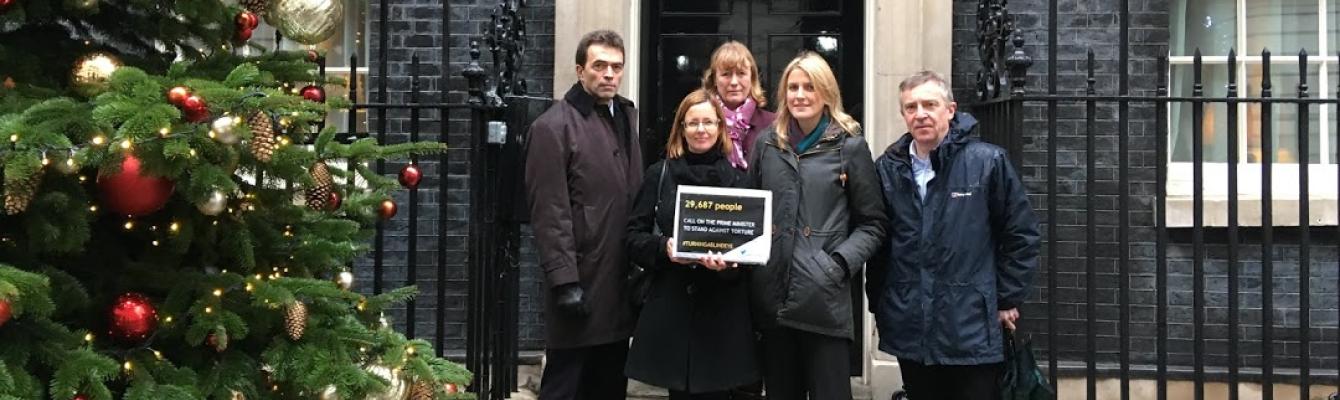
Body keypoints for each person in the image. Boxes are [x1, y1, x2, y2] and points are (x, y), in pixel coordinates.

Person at [866, 70, 1041, 400]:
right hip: (911, 321)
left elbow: (1020, 234)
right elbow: (881, 242)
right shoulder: (887, 169)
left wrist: (1006, 298)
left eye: (930, 104)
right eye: (911, 107)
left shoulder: (987, 163)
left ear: (950, 109)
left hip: (971, 323)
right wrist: (879, 302)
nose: (920, 114)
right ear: (903, 114)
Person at [747, 51, 888, 400]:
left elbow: (873, 223)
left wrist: (837, 265)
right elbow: (747, 211)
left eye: (809, 86)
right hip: (773, 298)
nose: (799, 95)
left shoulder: (850, 147)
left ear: (825, 92)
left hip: (824, 300)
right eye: (792, 87)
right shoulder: (767, 143)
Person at [524, 29, 641, 400]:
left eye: (616, 67)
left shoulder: (625, 115)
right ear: (580, 70)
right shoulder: (551, 127)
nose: (609, 74)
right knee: (566, 385)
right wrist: (564, 281)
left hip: (620, 281)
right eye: (600, 65)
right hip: (581, 282)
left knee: (608, 385)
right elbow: (550, 212)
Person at [624, 89, 758, 400]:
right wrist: (664, 248)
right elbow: (632, 237)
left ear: (720, 128)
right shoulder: (659, 175)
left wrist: (728, 268)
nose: (701, 130)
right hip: (673, 313)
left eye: (708, 122)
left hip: (721, 317)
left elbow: (749, 252)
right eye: (693, 123)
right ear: (681, 129)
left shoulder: (740, 180)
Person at [702, 40, 776, 171]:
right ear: (714, 80)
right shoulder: (701, 122)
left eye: (741, 73)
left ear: (752, 79)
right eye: (726, 74)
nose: (734, 82)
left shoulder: (773, 124)